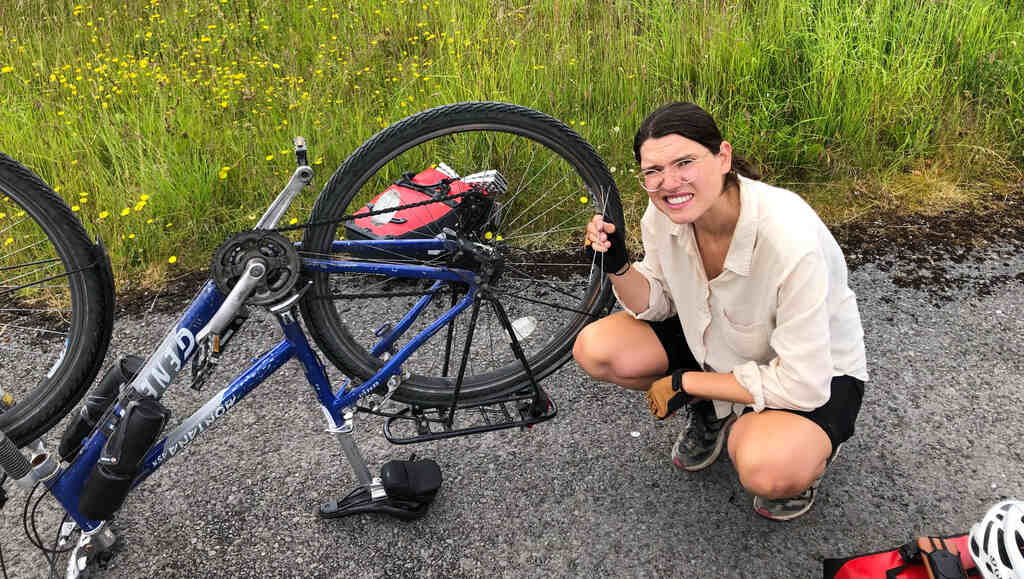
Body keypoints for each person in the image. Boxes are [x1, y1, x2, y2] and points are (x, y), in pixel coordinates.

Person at [573, 101, 868, 521]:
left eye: (684, 162)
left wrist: (686, 381)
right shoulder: (664, 214)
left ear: (723, 157)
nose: (668, 183)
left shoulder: (789, 238)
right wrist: (616, 265)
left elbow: (804, 383)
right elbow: (660, 305)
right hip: (723, 343)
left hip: (814, 372)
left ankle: (805, 451)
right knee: (597, 347)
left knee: (766, 466)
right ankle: (715, 411)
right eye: (652, 171)